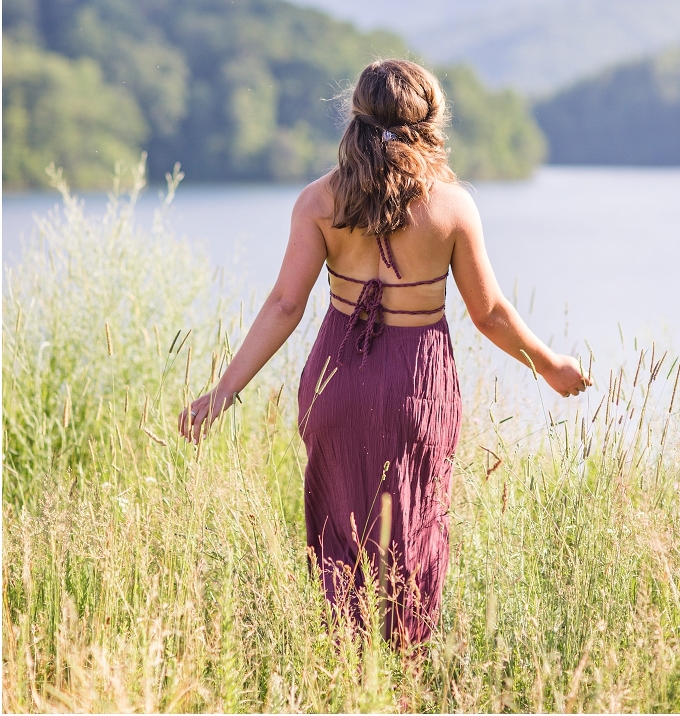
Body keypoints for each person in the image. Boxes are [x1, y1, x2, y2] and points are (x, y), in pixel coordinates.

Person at [178, 59, 591, 644]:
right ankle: (402, 685)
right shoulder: (451, 209)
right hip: (414, 389)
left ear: (356, 117)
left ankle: (345, 679)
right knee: (414, 538)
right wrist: (550, 366)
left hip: (335, 385)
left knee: (338, 541)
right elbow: (489, 313)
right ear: (430, 122)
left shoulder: (319, 202)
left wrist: (220, 394)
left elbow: (282, 306)